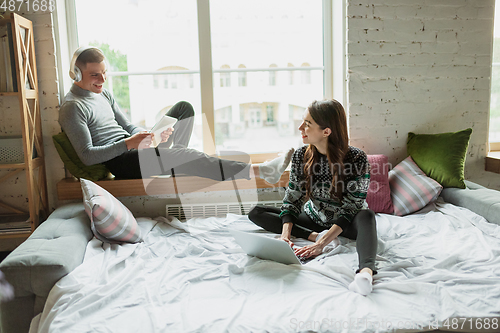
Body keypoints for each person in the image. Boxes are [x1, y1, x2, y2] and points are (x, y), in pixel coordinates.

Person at [59, 46, 293, 184]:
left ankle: (174, 164)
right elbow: (87, 156)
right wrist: (129, 143)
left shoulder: (104, 94)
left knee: (183, 108)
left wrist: (145, 135)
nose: (102, 80)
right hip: (123, 162)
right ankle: (263, 171)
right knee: (184, 154)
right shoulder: (72, 107)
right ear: (77, 74)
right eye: (94, 76)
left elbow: (127, 125)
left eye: (104, 73)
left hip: (136, 148)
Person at [248, 99, 378, 296]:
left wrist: (322, 244)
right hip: (315, 218)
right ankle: (312, 234)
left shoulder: (357, 158)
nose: (301, 127)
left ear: (326, 131)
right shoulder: (301, 156)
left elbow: (352, 206)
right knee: (256, 212)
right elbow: (293, 198)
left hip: (346, 223)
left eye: (307, 124)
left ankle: (365, 275)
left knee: (367, 216)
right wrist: (286, 235)